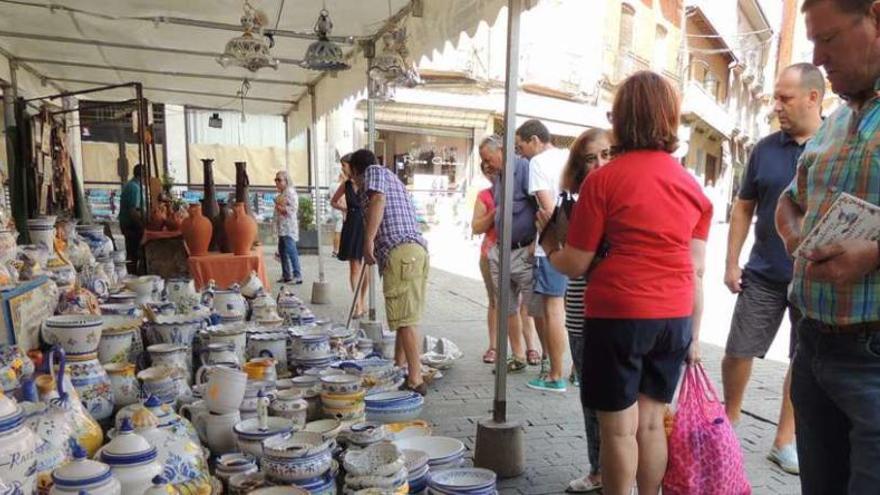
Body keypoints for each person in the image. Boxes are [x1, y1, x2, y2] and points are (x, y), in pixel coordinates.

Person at [542, 71, 711, 495]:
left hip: (618, 315)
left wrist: (549, 247)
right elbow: (697, 269)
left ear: (622, 119)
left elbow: (577, 262)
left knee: (618, 430)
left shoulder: (603, 180)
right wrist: (694, 333)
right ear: (669, 119)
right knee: (652, 422)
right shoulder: (692, 187)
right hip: (673, 317)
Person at [775, 1, 880, 492]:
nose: (818, 56)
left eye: (829, 39)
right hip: (813, 350)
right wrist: (797, 237)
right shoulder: (834, 123)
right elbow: (787, 202)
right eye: (812, 42)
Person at [722, 63, 825, 475]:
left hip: (814, 277)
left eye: (785, 98)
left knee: (799, 362)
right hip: (763, 272)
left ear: (813, 98)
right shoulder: (764, 148)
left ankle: (784, 440)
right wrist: (731, 261)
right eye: (775, 98)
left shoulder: (837, 142)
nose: (776, 106)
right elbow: (744, 206)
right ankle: (728, 422)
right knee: (737, 350)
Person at [349, 149, 429, 395]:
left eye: (349, 173)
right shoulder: (390, 176)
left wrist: (368, 241)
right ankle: (400, 367)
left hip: (402, 252)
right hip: (414, 252)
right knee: (405, 316)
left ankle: (415, 379)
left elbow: (378, 200)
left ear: (355, 171)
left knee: (405, 319)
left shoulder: (374, 173)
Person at [559, 128, 612, 494]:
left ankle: (613, 471)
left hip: (615, 312)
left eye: (607, 155)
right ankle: (599, 469)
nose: (599, 165)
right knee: (592, 398)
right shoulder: (572, 204)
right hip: (580, 309)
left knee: (617, 402)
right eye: (590, 158)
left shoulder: (622, 199)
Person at [479, 135, 543, 373]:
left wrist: (535, 242)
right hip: (501, 251)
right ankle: (517, 355)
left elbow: (540, 204)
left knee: (535, 308)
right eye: (483, 161)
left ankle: (546, 357)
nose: (486, 165)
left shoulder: (524, 168)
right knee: (507, 307)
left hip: (524, 249)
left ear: (502, 151)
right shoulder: (498, 178)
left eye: (488, 159)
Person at [515, 119, 570, 393]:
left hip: (553, 246)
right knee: (573, 312)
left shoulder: (538, 163)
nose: (521, 153)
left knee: (553, 310)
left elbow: (548, 209)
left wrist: (550, 244)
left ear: (535, 140)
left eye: (521, 146)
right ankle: (575, 372)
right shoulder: (568, 156)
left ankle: (556, 375)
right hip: (577, 245)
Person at [332, 154, 369, 318]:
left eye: (344, 166)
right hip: (352, 224)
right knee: (354, 266)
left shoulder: (365, 183)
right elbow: (333, 201)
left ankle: (362, 301)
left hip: (365, 224)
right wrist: (345, 209)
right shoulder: (345, 185)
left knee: (365, 268)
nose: (343, 169)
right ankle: (358, 305)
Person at [472, 160, 499, 364]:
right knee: (495, 301)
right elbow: (476, 227)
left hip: (519, 251)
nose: (490, 173)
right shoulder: (485, 195)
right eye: (486, 170)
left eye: (492, 168)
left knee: (523, 306)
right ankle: (494, 346)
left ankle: (528, 348)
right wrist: (494, 213)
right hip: (490, 252)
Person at [274, 171, 303, 285]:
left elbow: (293, 208)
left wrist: (281, 208)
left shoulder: (290, 192)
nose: (277, 182)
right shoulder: (283, 192)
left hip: (288, 227)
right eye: (275, 180)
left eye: (279, 180)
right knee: (282, 251)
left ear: (286, 181)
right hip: (283, 227)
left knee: (291, 250)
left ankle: (297, 275)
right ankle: (286, 274)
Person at [119, 164, 145, 275]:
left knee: (132, 252)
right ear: (142, 176)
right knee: (133, 252)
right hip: (130, 225)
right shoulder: (134, 188)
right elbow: (133, 211)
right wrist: (142, 226)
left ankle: (133, 273)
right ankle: (133, 275)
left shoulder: (132, 185)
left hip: (128, 224)